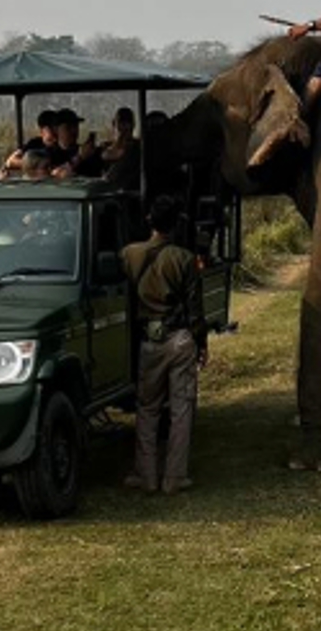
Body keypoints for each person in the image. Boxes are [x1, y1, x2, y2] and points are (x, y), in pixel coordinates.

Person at [121, 195, 207, 495]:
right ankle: (175, 477)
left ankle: (146, 476)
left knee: (147, 409)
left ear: (149, 221)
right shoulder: (184, 258)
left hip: (149, 341)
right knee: (181, 409)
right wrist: (202, 342)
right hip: (180, 338)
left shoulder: (129, 255)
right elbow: (196, 308)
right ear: (176, 224)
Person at [51, 108, 104, 177]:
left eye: (75, 126)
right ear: (56, 130)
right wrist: (79, 157)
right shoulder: (50, 154)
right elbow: (55, 175)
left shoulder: (88, 151)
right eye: (68, 127)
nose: (74, 131)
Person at [102, 107, 141, 189]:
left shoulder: (137, 149)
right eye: (121, 124)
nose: (123, 129)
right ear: (113, 125)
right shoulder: (103, 149)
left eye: (127, 125)